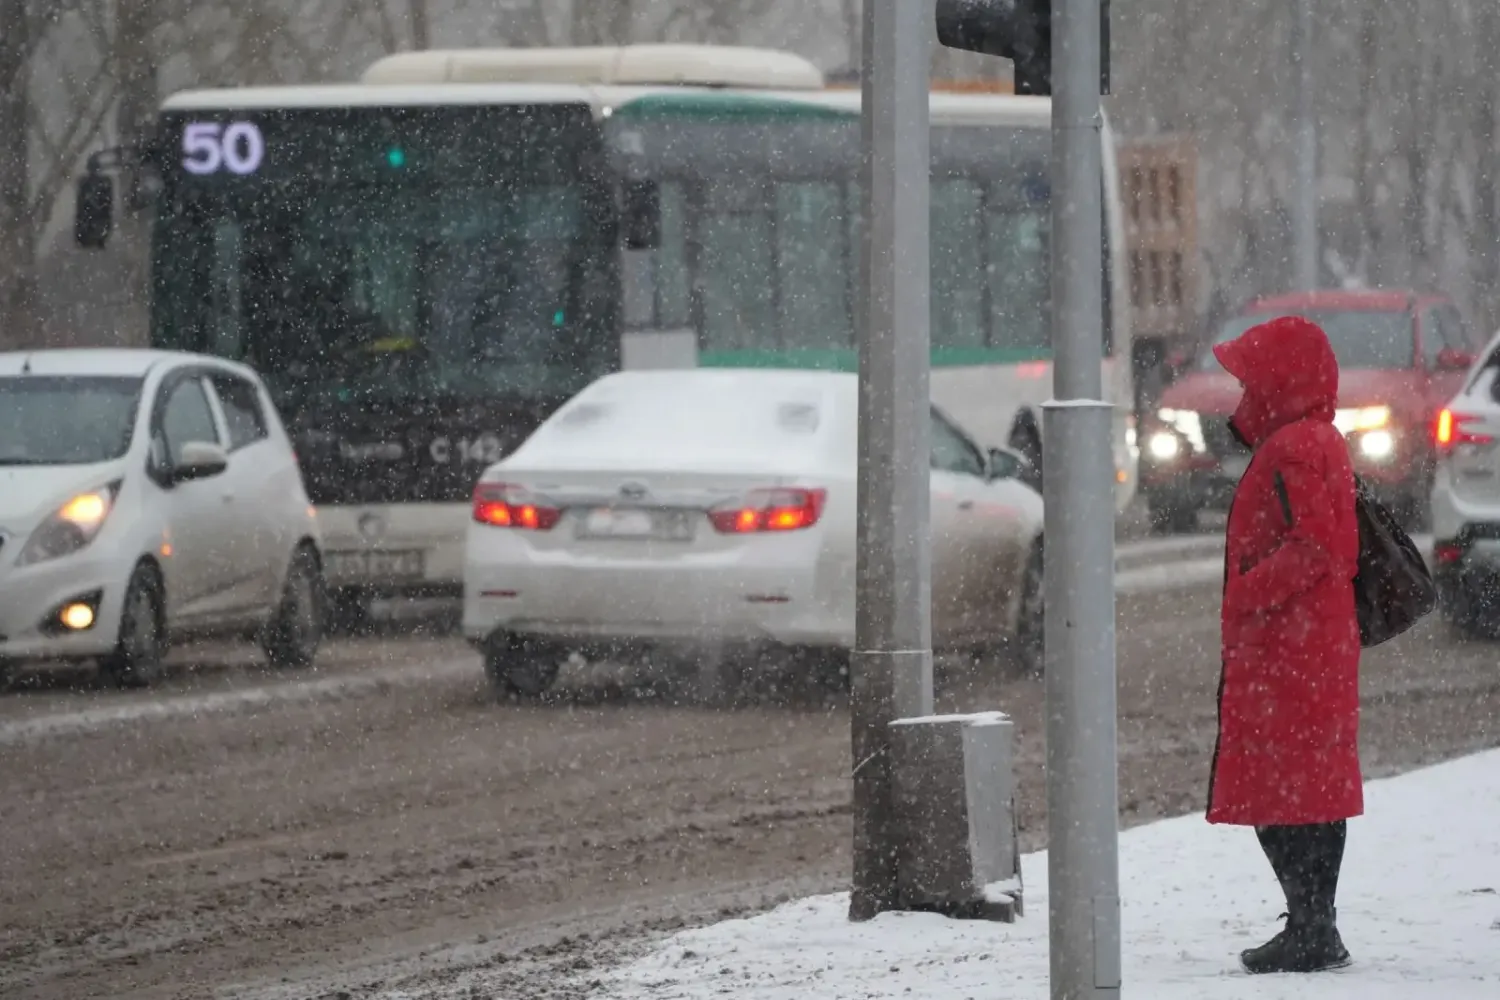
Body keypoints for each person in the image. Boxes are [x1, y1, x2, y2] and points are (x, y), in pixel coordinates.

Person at [1205, 315, 1362, 975]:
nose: (1242, 393)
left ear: (1281, 380)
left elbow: (1315, 544)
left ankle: (1311, 926)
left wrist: (1247, 592)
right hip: (1310, 641)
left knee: (1283, 795)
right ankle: (1313, 923)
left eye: (1252, 378)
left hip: (1289, 646)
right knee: (1308, 787)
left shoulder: (1294, 446)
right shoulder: (1315, 437)